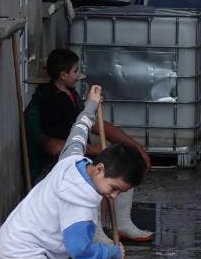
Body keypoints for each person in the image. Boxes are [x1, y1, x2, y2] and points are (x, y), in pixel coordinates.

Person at [0, 85, 145, 259]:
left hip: (13, 241)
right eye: (114, 189)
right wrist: (112, 253)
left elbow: (78, 132)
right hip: (23, 253)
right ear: (99, 169)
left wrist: (91, 106)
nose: (112, 197)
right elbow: (80, 251)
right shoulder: (80, 203)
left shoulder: (73, 160)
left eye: (119, 193)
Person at [26, 48, 155, 243]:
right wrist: (97, 150)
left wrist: (135, 148)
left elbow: (91, 123)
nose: (79, 75)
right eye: (75, 71)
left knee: (124, 164)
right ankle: (94, 232)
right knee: (96, 177)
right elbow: (56, 147)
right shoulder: (44, 104)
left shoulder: (71, 95)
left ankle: (122, 223)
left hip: (80, 156)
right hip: (56, 169)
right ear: (62, 75)